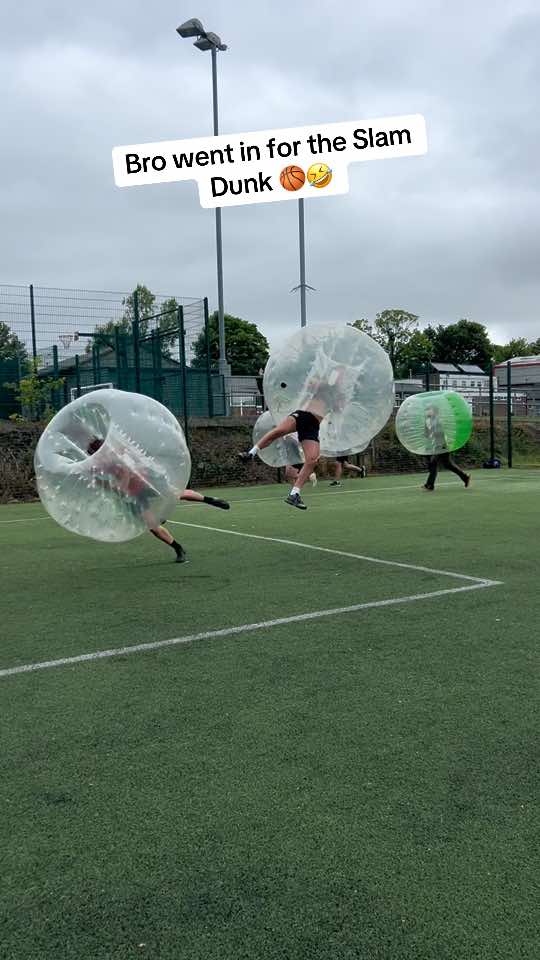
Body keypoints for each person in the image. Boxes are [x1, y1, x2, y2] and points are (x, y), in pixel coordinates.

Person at [86, 436, 229, 562]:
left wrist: (120, 485)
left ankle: (210, 500)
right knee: (153, 526)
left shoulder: (116, 455)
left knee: (177, 494)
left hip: (148, 481)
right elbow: (108, 486)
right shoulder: (98, 467)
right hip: (134, 494)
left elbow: (125, 474)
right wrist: (103, 482)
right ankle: (178, 548)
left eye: (97, 454)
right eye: (93, 456)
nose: (96, 458)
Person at [239, 367, 349, 510]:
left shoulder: (337, 394)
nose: (342, 377)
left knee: (312, 460)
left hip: (313, 425)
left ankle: (294, 494)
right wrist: (327, 381)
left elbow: (339, 409)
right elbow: (311, 383)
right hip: (303, 415)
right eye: (340, 373)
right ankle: (251, 453)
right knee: (279, 431)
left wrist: (340, 401)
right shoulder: (323, 385)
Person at [422, 405, 471, 491]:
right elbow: (427, 435)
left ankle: (429, 485)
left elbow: (440, 435)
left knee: (433, 464)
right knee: (448, 465)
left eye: (429, 410)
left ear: (434, 411)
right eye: (427, 410)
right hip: (435, 446)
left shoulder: (437, 421)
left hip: (442, 446)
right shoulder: (428, 420)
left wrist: (439, 447)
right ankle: (465, 477)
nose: (427, 411)